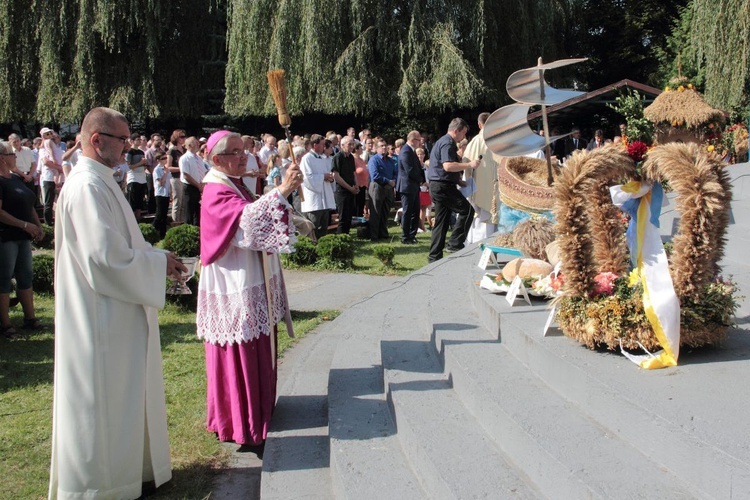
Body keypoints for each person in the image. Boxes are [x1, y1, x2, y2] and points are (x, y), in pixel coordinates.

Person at [49, 107, 186, 499]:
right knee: (103, 402)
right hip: (99, 316)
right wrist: (156, 264)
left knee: (123, 397)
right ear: (97, 140)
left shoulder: (102, 180)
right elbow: (104, 258)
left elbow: (125, 245)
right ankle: (102, 486)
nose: (130, 148)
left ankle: (131, 471)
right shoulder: (87, 187)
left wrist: (158, 257)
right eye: (123, 140)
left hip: (114, 309)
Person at [196, 130, 303, 450]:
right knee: (241, 345)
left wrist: (287, 208)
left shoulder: (233, 181)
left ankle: (258, 409)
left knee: (254, 342)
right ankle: (241, 421)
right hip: (234, 282)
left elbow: (254, 213)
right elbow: (245, 224)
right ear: (217, 159)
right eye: (235, 152)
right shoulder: (216, 189)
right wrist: (282, 190)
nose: (244, 156)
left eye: (244, 150)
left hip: (246, 275)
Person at [0, 141, 44, 338]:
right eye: (12, 154)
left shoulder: (16, 179)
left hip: (23, 238)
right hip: (6, 238)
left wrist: (38, 225)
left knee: (25, 276)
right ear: (2, 158)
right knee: (4, 279)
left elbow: (30, 205)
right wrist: (25, 225)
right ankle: (5, 323)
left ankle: (30, 318)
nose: (15, 157)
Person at [427, 118, 480, 262]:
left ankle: (434, 257)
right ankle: (455, 244)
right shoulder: (448, 143)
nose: (463, 137)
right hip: (443, 186)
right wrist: (469, 165)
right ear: (456, 131)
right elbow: (448, 166)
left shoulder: (442, 141)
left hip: (438, 185)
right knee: (468, 211)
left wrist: (458, 181)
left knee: (441, 222)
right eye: (463, 133)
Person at [299, 134, 335, 239]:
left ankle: (321, 247)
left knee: (323, 227)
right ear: (315, 145)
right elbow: (306, 178)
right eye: (322, 144)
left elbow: (328, 173)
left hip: (324, 199)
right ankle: (312, 248)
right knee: (313, 226)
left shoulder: (323, 158)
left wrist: (330, 178)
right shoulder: (307, 159)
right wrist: (323, 177)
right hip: (314, 199)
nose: (324, 147)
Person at [367, 139, 397, 241]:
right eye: (381, 146)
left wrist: (393, 181)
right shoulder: (373, 160)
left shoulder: (390, 160)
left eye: (385, 145)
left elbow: (395, 173)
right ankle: (374, 236)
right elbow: (375, 176)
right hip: (377, 187)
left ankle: (383, 233)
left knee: (385, 212)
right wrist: (388, 181)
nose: (384, 147)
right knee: (375, 212)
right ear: (376, 148)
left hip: (388, 188)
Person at [396, 131, 423, 244]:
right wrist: (420, 179)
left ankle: (412, 235)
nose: (420, 142)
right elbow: (410, 170)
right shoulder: (406, 151)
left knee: (415, 211)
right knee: (408, 212)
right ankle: (405, 236)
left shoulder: (411, 151)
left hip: (413, 186)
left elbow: (417, 168)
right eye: (418, 140)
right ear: (412, 140)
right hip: (407, 186)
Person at [331, 136, 358, 234]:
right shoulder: (338, 157)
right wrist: (349, 188)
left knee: (349, 217)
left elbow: (353, 173)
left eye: (352, 144)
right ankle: (340, 239)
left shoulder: (351, 157)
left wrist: (356, 186)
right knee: (343, 217)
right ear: (342, 145)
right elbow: (336, 176)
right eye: (349, 144)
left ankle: (347, 237)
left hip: (351, 190)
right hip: (341, 191)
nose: (351, 146)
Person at [179, 136, 206, 225]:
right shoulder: (184, 158)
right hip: (190, 187)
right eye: (196, 142)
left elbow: (203, 171)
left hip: (200, 186)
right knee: (189, 212)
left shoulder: (198, 158)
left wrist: (203, 184)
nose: (198, 144)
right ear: (190, 145)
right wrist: (198, 185)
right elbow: (186, 175)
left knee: (197, 212)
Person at [167, 129, 186, 223]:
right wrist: (181, 169)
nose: (184, 138)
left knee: (183, 203)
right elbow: (168, 167)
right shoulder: (172, 151)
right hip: (176, 178)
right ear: (176, 138)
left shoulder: (185, 150)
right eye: (181, 137)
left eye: (184, 136)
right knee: (177, 202)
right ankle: (175, 224)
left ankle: (182, 223)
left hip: (184, 178)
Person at [152, 153, 171, 238]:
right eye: (163, 158)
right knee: (159, 214)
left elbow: (168, 182)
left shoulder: (165, 169)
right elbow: (161, 183)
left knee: (164, 215)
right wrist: (165, 173)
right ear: (158, 160)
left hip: (166, 193)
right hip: (160, 193)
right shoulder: (157, 170)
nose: (165, 159)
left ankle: (162, 235)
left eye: (166, 158)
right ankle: (152, 230)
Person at [352, 142, 369, 218]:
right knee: (357, 204)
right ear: (356, 149)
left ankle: (360, 218)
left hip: (363, 185)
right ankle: (355, 219)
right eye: (360, 148)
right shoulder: (353, 159)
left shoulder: (361, 160)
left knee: (361, 203)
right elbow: (353, 172)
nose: (362, 149)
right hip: (357, 185)